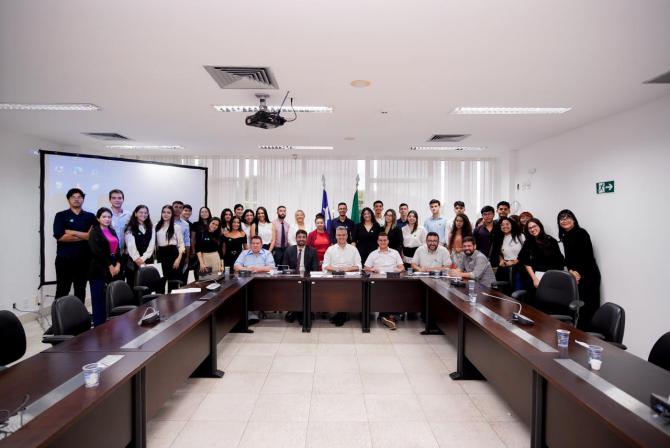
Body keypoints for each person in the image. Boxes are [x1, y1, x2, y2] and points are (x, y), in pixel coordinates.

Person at [557, 209, 601, 329]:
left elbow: (587, 257)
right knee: (577, 305)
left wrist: (577, 273)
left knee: (587, 307)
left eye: (568, 217)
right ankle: (578, 334)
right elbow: (568, 259)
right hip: (575, 274)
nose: (565, 220)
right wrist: (571, 271)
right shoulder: (564, 236)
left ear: (574, 220)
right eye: (562, 218)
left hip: (588, 274)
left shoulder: (581, 233)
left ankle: (587, 335)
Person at [53, 188, 97, 302]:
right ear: (68, 199)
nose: (76, 199)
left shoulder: (91, 216)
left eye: (79, 197)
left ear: (83, 199)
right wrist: (84, 236)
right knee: (62, 290)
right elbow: (61, 237)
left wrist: (71, 232)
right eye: (73, 197)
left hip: (84, 260)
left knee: (80, 290)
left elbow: (91, 237)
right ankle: (58, 318)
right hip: (64, 260)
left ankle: (80, 318)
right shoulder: (61, 215)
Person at [322, 226, 363, 326]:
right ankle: (341, 313)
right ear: (335, 236)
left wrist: (346, 270)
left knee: (346, 289)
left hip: (350, 280)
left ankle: (341, 313)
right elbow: (325, 266)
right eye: (339, 235)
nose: (341, 237)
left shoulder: (353, 249)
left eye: (343, 235)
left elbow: (359, 266)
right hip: (334, 279)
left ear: (347, 235)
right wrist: (338, 270)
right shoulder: (330, 249)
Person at [88, 207, 121, 326]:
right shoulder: (94, 232)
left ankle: (110, 325)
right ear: (98, 218)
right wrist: (109, 266)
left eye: (109, 217)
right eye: (104, 217)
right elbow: (97, 252)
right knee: (99, 299)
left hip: (113, 266)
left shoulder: (112, 231)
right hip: (98, 268)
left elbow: (117, 249)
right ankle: (99, 326)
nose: (107, 219)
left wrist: (118, 263)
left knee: (110, 298)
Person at [364, 232, 405, 330]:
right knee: (387, 294)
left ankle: (387, 316)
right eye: (381, 240)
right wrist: (372, 270)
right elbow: (365, 268)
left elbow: (402, 267)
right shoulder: (373, 254)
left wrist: (398, 270)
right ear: (377, 241)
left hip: (393, 280)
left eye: (385, 240)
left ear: (388, 241)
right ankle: (390, 317)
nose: (383, 242)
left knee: (400, 294)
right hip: (379, 281)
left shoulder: (395, 253)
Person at [518, 218, 565, 299]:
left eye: (534, 226)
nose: (532, 229)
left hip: (551, 277)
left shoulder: (551, 240)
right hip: (534, 277)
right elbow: (525, 262)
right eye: (530, 228)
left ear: (540, 226)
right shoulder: (528, 242)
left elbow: (559, 260)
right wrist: (534, 279)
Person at [282, 229, 319, 323]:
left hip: (307, 278)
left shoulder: (312, 251)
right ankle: (297, 311)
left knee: (305, 290)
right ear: (296, 238)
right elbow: (284, 267)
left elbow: (315, 268)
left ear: (306, 239)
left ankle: (302, 313)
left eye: (303, 237)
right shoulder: (289, 250)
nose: (301, 239)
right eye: (299, 237)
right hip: (293, 278)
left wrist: (308, 279)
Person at [123, 205, 155, 285]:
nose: (143, 214)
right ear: (135, 214)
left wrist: (144, 258)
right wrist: (138, 260)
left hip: (148, 259)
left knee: (147, 284)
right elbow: (131, 246)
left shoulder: (151, 227)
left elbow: (152, 244)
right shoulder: (129, 228)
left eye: (145, 213)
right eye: (141, 212)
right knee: (134, 284)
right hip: (134, 261)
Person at [155, 205, 185, 284]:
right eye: (164, 212)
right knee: (160, 281)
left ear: (172, 214)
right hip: (161, 254)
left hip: (173, 254)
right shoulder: (156, 226)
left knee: (173, 282)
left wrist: (178, 259)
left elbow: (181, 244)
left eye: (168, 212)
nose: (166, 214)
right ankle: (160, 297)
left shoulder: (176, 227)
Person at [496, 217, 526, 291]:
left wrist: (515, 261)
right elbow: (499, 252)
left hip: (519, 268)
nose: (505, 226)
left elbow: (526, 252)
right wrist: (501, 260)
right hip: (505, 269)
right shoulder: (500, 238)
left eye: (507, 224)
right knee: (504, 292)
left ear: (512, 225)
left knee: (517, 290)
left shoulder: (520, 236)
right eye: (502, 225)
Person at [172, 201, 191, 283]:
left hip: (181, 253)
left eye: (180, 207)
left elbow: (187, 241)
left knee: (181, 280)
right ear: (172, 207)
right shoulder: (166, 221)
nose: (178, 209)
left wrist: (187, 256)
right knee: (170, 280)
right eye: (176, 207)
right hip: (168, 254)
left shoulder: (185, 224)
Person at [489, 201, 511, 267]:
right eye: (501, 209)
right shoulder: (492, 223)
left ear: (509, 211)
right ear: (497, 210)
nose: (503, 211)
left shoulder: (512, 224)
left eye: (505, 209)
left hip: (509, 256)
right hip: (494, 256)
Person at [109, 189, 130, 254]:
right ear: (110, 200)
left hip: (124, 253)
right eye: (114, 198)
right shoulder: (104, 214)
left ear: (123, 200)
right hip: (108, 253)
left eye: (119, 198)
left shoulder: (129, 215)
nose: (117, 200)